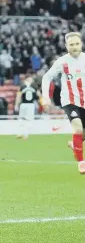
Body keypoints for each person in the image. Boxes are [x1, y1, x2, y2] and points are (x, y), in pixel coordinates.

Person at [41, 32, 85, 174]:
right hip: (70, 101)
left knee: (80, 135)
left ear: (81, 44)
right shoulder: (62, 62)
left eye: (77, 44)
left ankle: (75, 144)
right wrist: (45, 96)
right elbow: (47, 77)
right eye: (71, 44)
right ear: (66, 46)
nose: (75, 47)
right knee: (77, 127)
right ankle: (81, 162)